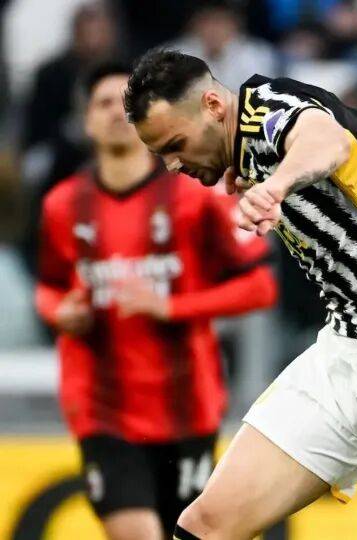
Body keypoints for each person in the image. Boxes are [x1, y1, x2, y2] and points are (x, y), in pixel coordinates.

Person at [123, 50, 357, 540]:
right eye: (161, 154)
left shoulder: (267, 115)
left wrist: (276, 185)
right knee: (205, 527)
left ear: (214, 106)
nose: (173, 164)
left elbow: (326, 140)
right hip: (345, 352)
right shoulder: (257, 133)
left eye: (176, 144)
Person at [34, 62, 277, 540]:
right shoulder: (62, 204)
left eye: (125, 104)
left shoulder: (195, 194)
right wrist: (59, 312)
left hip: (188, 406)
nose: (115, 113)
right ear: (86, 121)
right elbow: (47, 287)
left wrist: (171, 308)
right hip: (102, 410)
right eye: (103, 103)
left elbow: (260, 287)